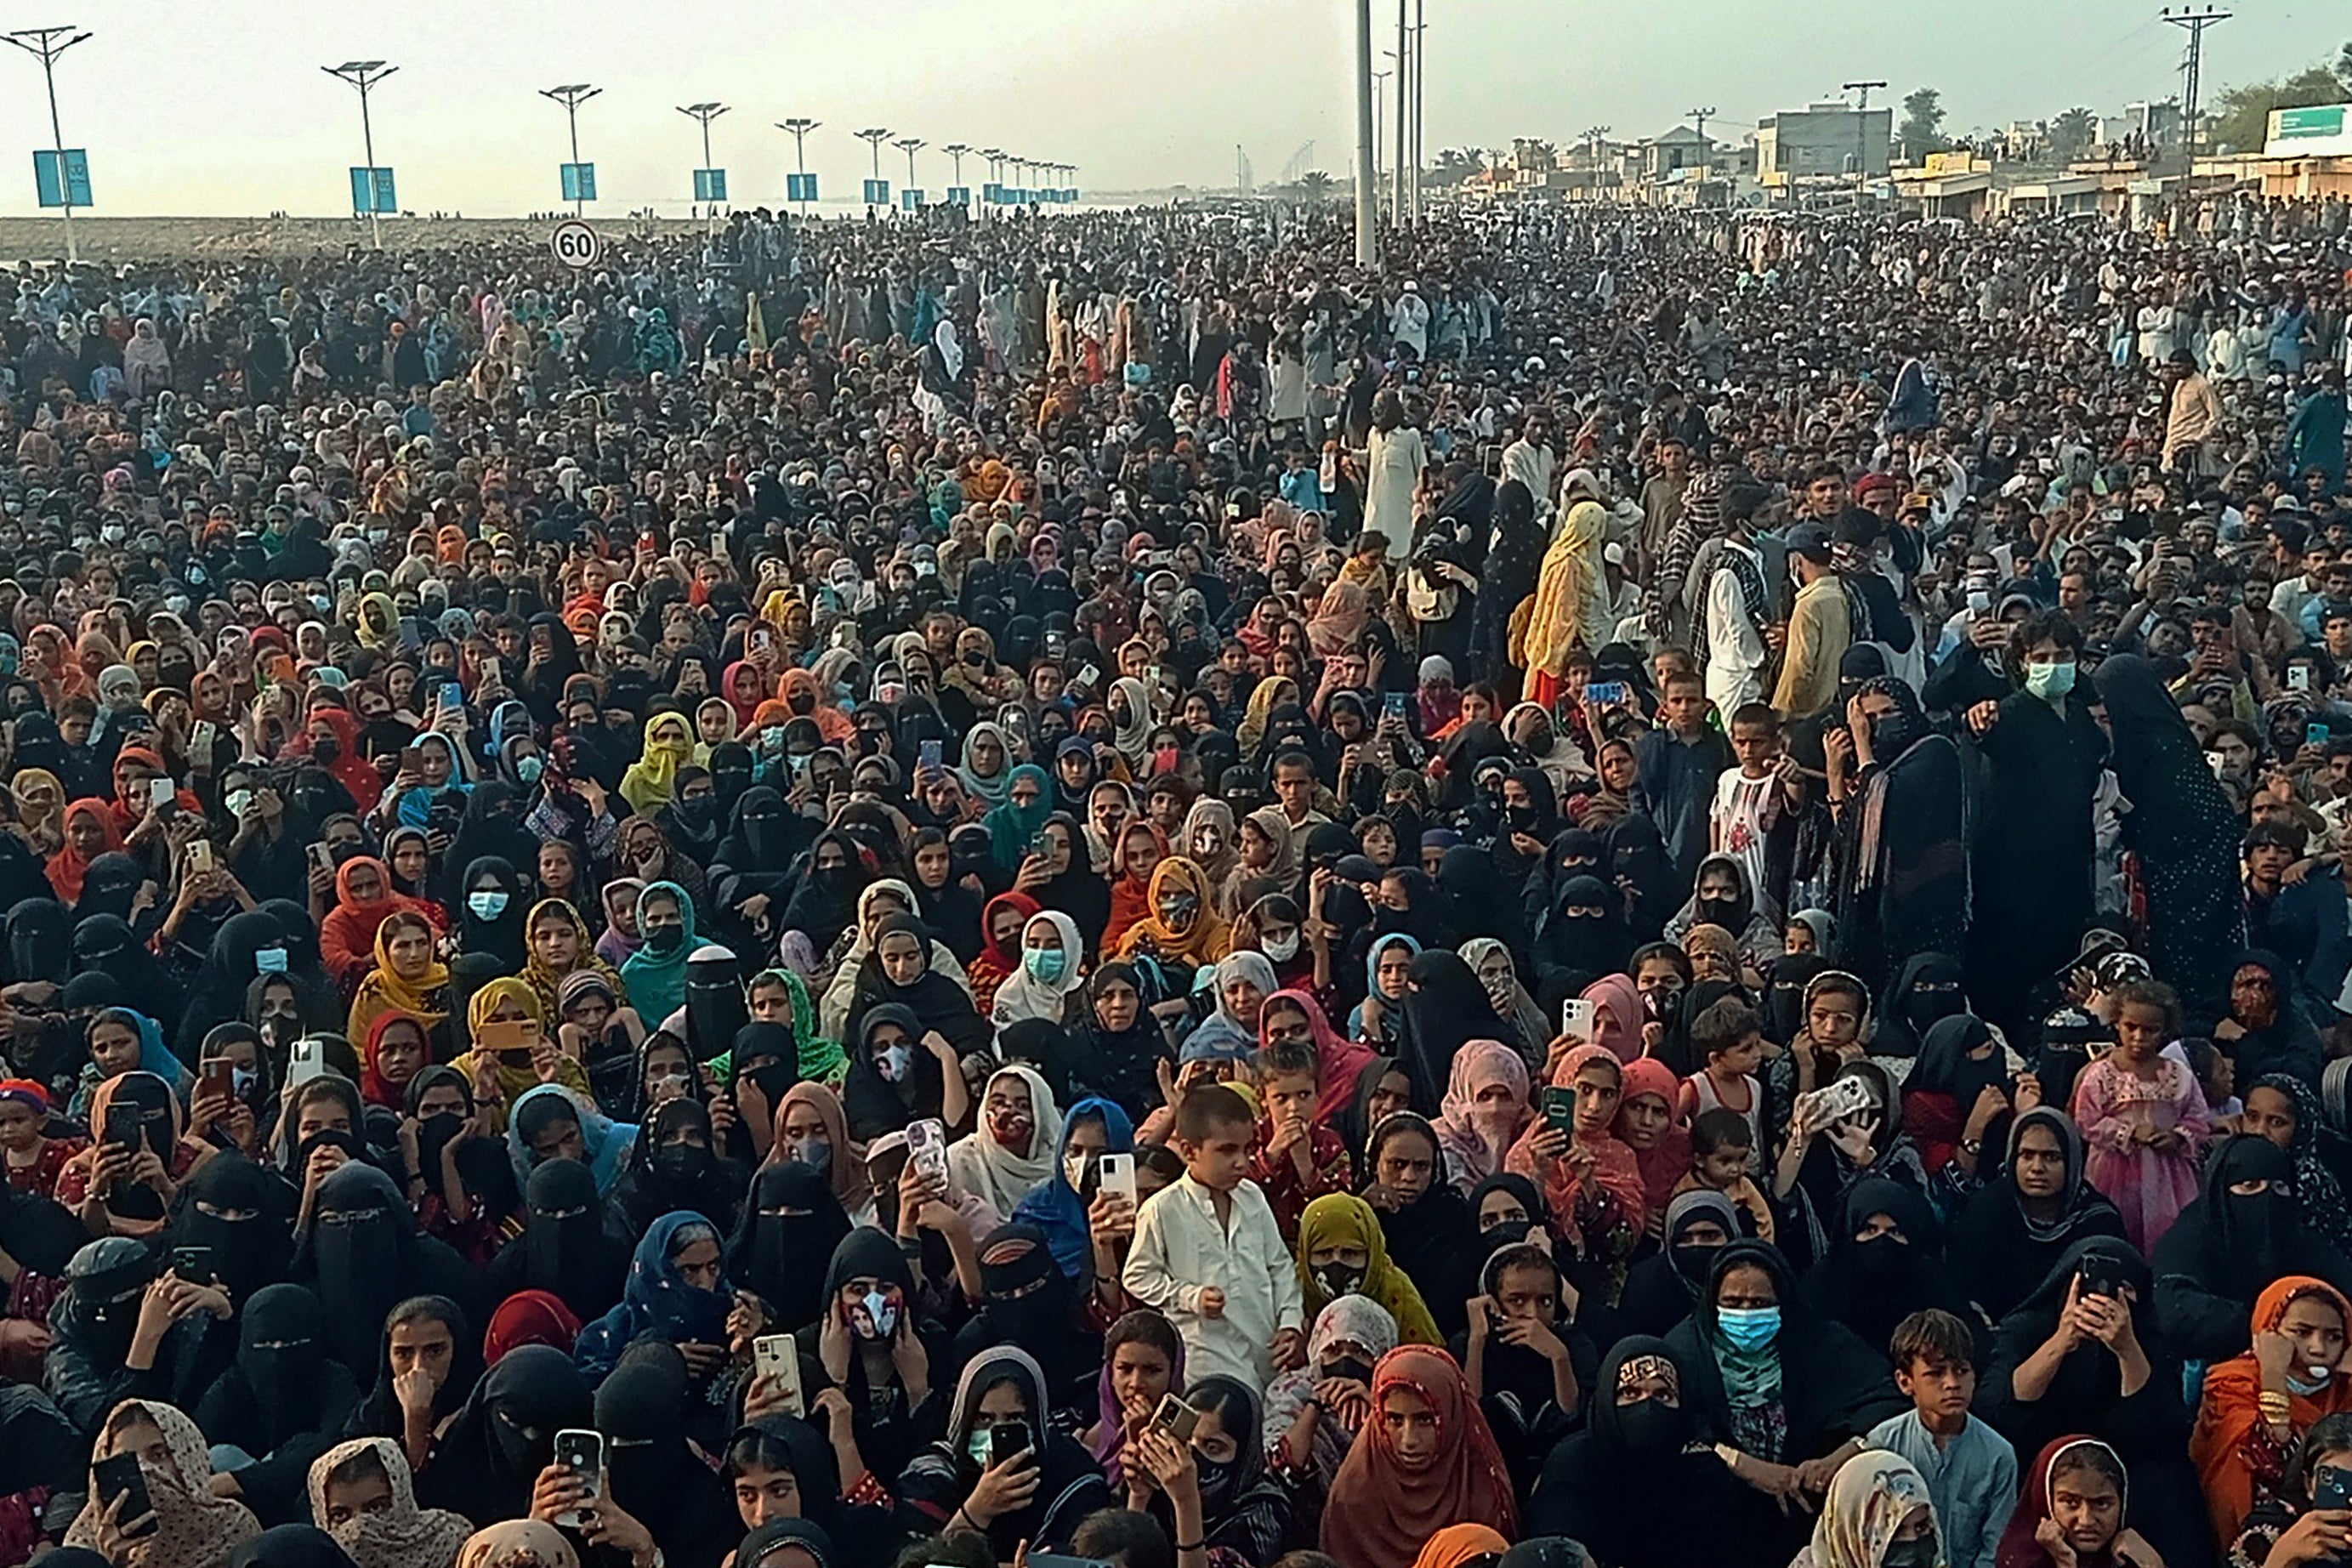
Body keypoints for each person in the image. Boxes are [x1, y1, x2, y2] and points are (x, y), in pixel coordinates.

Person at [1123, 1084, 1305, 1392]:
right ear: (1189, 1150)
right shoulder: (1163, 1208)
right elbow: (1137, 1275)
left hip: (1267, 1351)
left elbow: (1280, 1267)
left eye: (1247, 1149)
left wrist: (1290, 1322)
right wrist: (1189, 1297)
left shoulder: (1252, 1197)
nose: (1242, 1162)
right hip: (1205, 1353)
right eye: (1227, 1150)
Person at [1319, 1346, 1518, 1568]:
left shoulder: (1481, 1493)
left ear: (1452, 1416)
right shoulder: (1352, 1499)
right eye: (1395, 1420)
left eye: (1424, 1420)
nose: (1409, 1440)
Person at [1864, 1308, 2018, 1568]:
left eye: (1961, 1371)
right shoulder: (1883, 1445)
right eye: (1936, 1373)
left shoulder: (1998, 1455)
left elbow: (1994, 1550)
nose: (1951, 1383)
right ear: (1905, 1382)